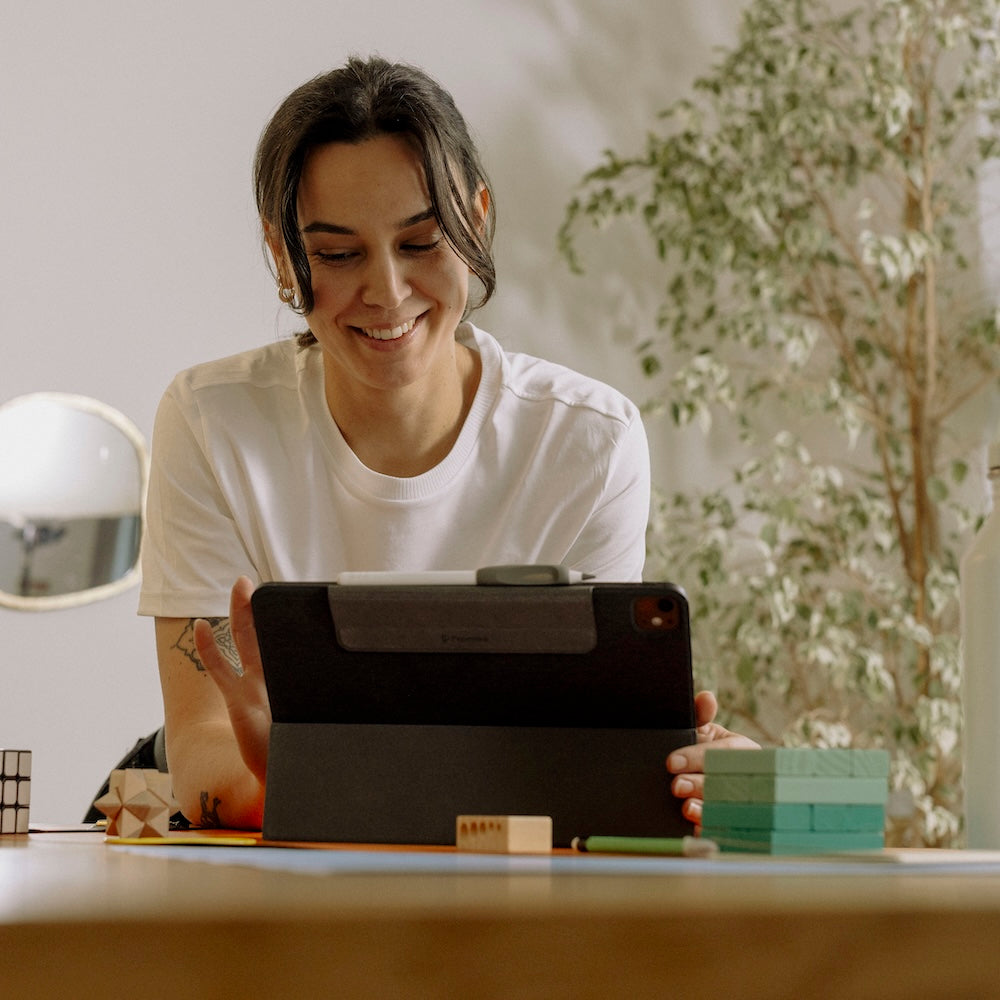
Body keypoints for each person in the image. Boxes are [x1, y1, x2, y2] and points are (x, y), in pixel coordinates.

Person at [138, 56, 756, 831]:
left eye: (421, 241)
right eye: (337, 253)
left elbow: (581, 755)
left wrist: (696, 774)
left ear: (478, 217)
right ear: (280, 251)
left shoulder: (586, 441)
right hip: (260, 834)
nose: (387, 292)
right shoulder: (211, 422)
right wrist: (279, 767)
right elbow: (201, 752)